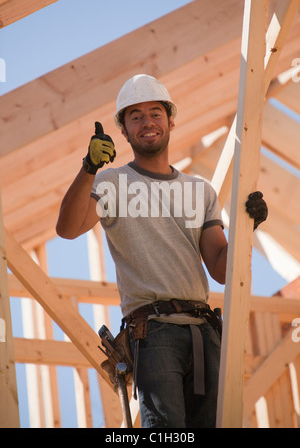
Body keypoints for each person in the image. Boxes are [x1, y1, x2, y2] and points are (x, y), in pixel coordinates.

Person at [56, 74, 268, 428]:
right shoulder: (111, 182)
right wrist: (89, 168)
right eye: (135, 116)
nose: (147, 123)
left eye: (155, 113)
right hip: (152, 333)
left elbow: (220, 267)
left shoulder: (200, 190)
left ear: (171, 120)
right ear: (123, 130)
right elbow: (68, 229)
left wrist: (247, 229)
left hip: (205, 332)